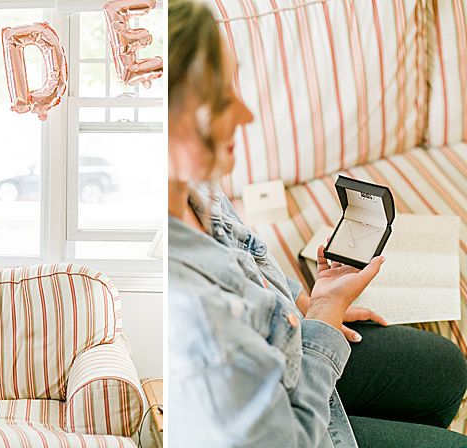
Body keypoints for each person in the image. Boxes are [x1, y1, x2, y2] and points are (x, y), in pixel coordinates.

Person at [168, 1, 467, 446]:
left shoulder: (196, 185)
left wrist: (307, 303)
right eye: (222, 100)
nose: (247, 115)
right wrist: (326, 318)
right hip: (296, 429)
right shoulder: (196, 320)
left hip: (286, 351)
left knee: (445, 366)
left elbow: (251, 258)